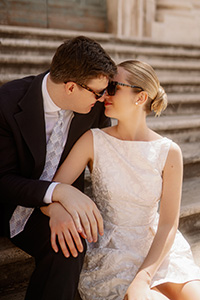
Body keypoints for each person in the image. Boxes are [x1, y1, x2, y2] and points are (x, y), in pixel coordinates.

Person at [43, 59, 200, 300]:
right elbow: (51, 190)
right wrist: (56, 211)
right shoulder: (93, 140)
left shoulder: (169, 151)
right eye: (106, 88)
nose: (105, 94)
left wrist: (144, 278)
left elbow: (168, 225)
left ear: (140, 98)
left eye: (114, 87)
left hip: (157, 249)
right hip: (112, 250)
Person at [0, 36, 117, 300]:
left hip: (60, 204)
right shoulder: (6, 103)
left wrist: (59, 206)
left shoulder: (93, 109)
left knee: (71, 245)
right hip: (11, 204)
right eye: (98, 92)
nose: (102, 100)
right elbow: (3, 180)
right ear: (71, 87)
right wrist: (58, 195)